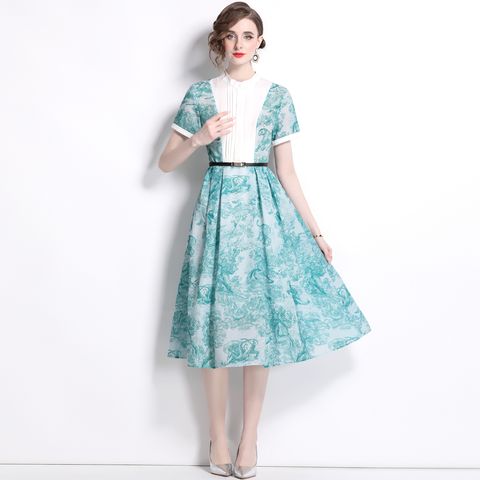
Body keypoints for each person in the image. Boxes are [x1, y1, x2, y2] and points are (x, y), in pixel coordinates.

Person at [159, 2, 372, 478]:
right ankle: (217, 436)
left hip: (262, 212)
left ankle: (249, 438)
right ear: (220, 40)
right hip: (216, 210)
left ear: (260, 42)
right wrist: (199, 138)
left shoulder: (277, 96)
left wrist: (316, 231)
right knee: (215, 326)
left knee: (258, 327)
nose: (239, 44)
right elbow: (165, 164)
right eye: (231, 35)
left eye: (248, 35)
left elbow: (287, 172)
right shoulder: (200, 94)